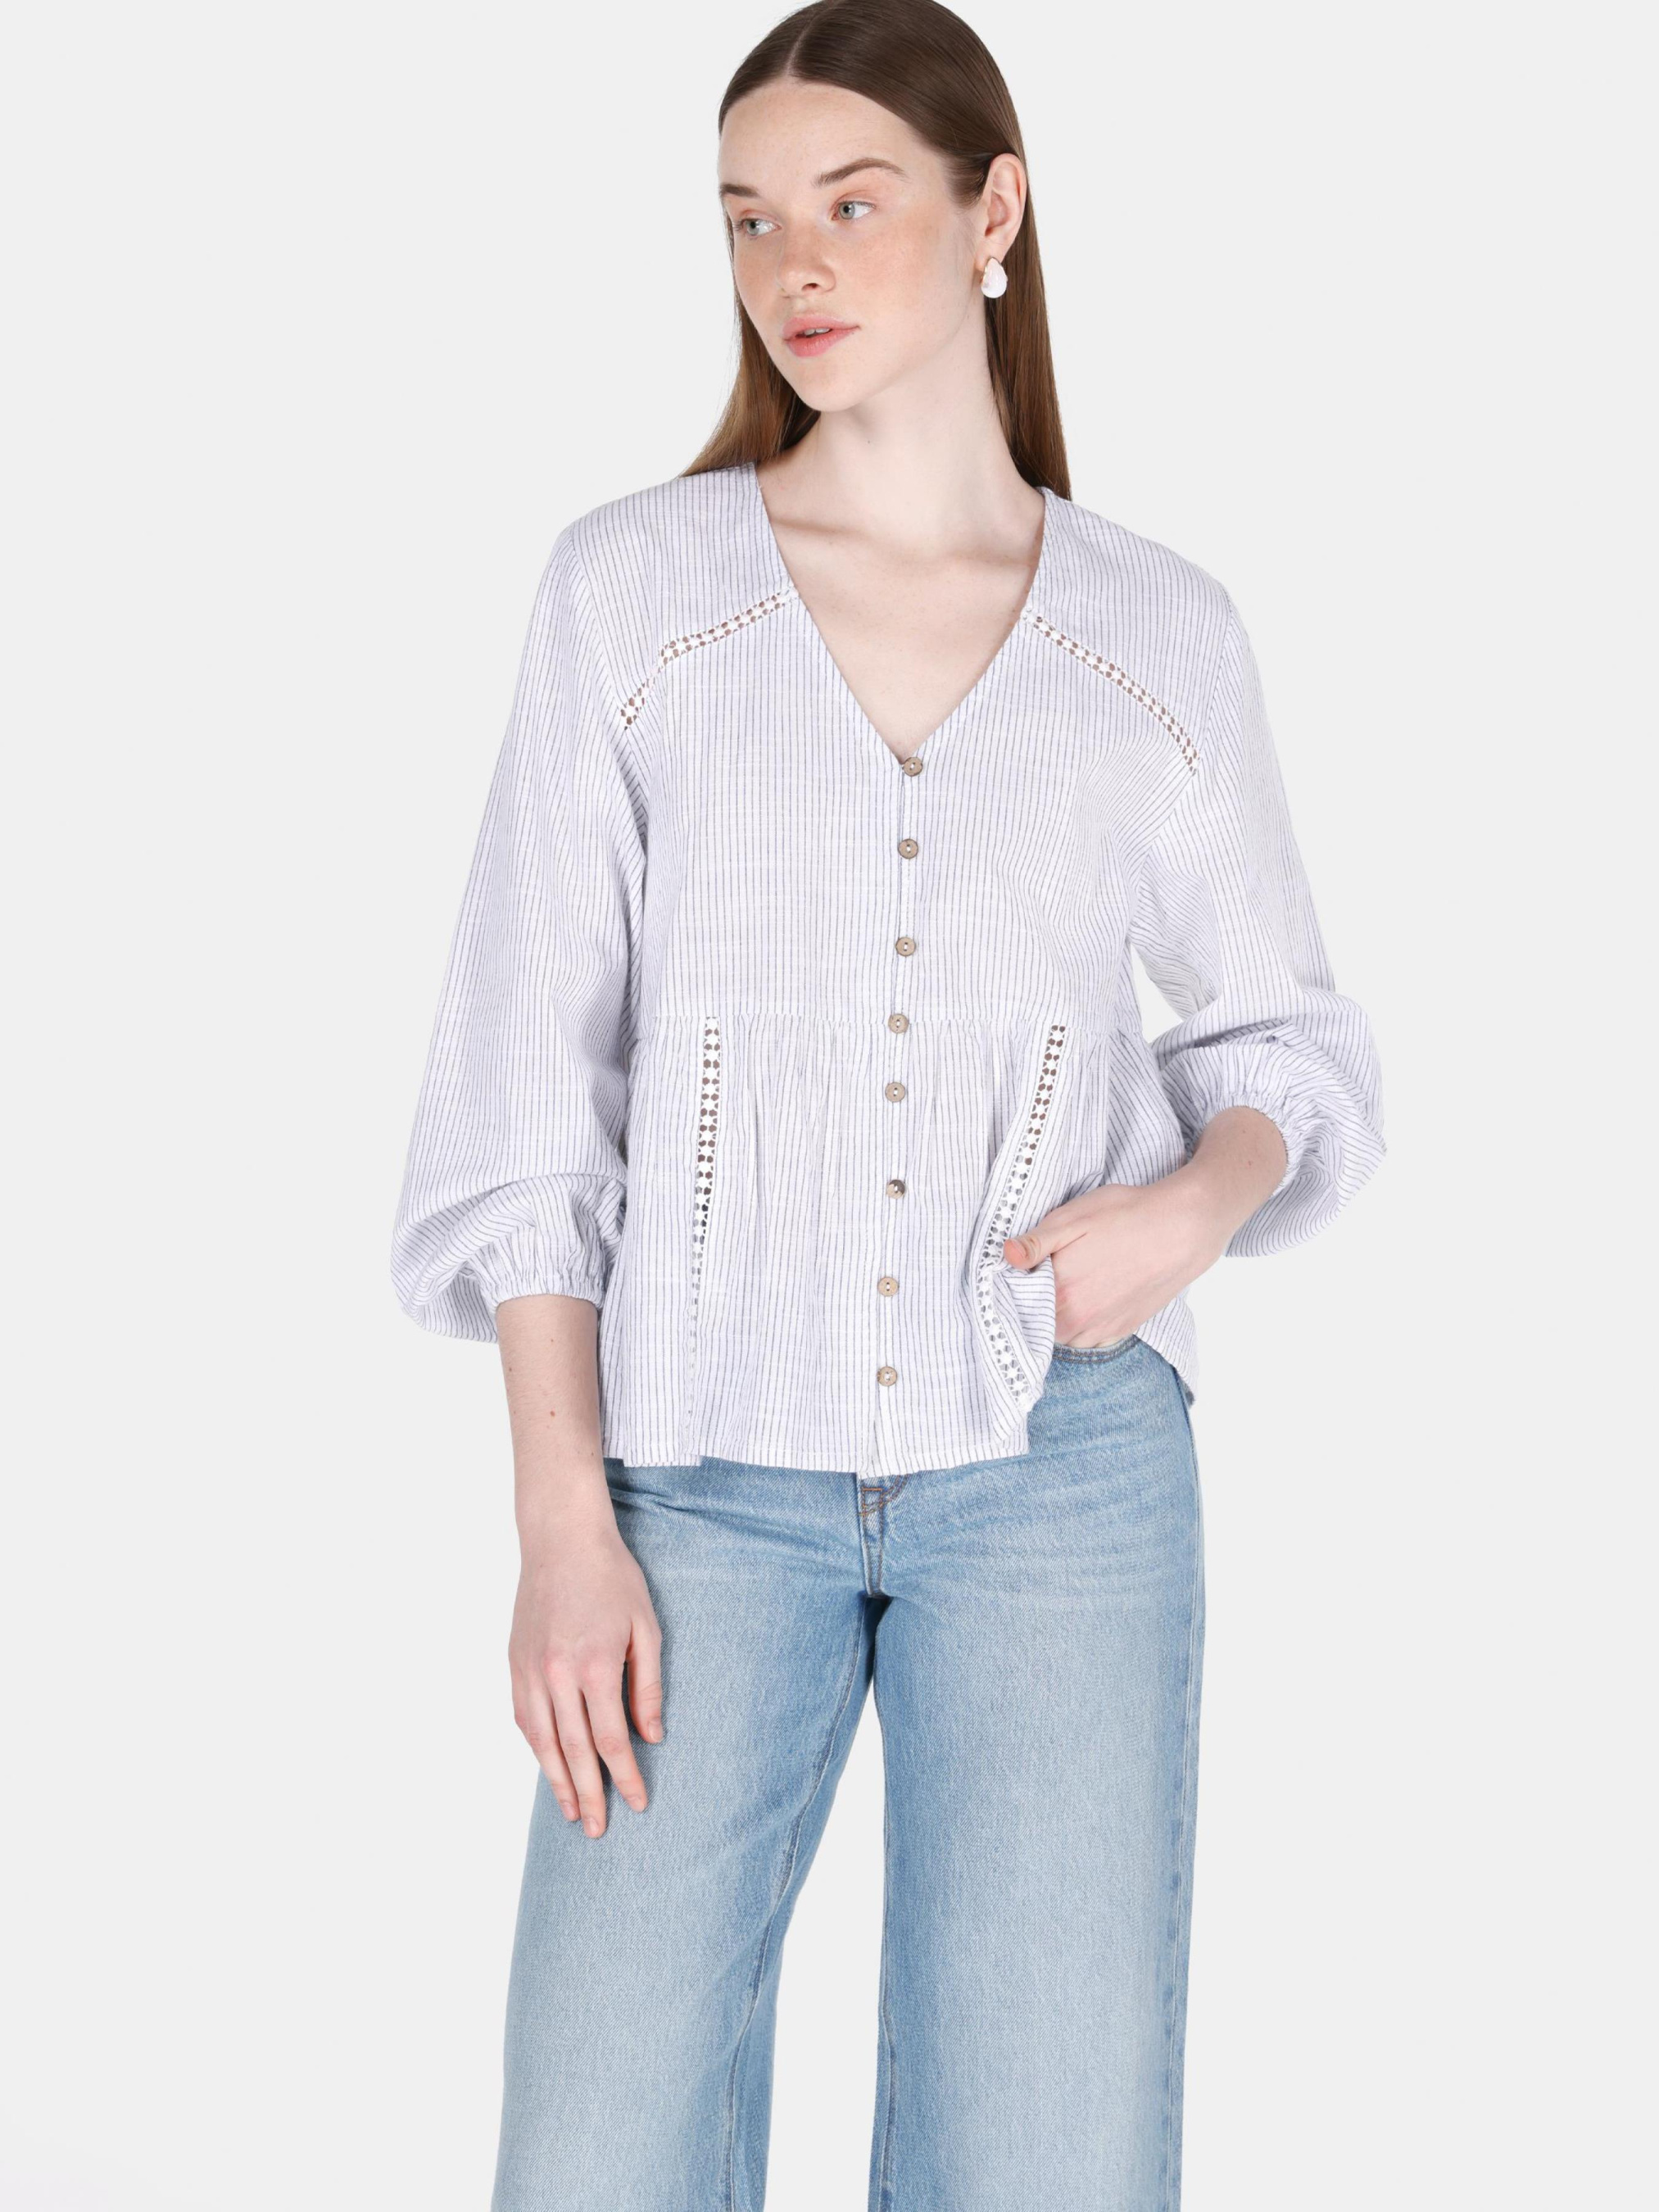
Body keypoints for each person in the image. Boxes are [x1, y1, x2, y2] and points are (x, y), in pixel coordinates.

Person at [391, 2, 1385, 2204]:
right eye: (750, 219)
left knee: (1045, 2161)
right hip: (692, 1483)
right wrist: (562, 1522)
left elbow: (1286, 1046)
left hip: (1063, 1476)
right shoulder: (632, 595)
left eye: (853, 202)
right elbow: (527, 1092)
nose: (796, 265)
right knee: (593, 2153)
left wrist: (1192, 1207)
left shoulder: (1155, 635)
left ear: (993, 210)